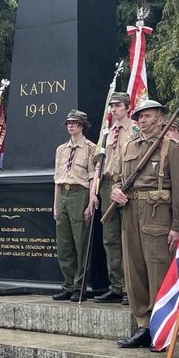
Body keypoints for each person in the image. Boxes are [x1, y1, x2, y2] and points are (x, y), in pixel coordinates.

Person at [110, 99, 179, 349]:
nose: (143, 121)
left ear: (159, 118)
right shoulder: (128, 147)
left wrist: (177, 226)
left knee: (157, 271)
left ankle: (162, 327)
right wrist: (115, 191)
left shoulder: (170, 148)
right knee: (134, 272)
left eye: (148, 116)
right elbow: (117, 179)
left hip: (157, 216)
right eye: (140, 117)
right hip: (130, 212)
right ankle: (143, 325)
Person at [52, 110, 97, 301]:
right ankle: (68, 284)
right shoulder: (61, 149)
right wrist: (55, 205)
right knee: (64, 244)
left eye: (75, 123)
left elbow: (94, 175)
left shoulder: (90, 148)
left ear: (82, 126)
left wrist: (91, 201)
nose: (71, 126)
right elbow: (56, 179)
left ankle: (80, 286)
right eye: (69, 123)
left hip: (80, 193)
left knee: (81, 241)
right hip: (62, 193)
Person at [92, 93, 132, 304]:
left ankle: (128, 287)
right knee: (110, 238)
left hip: (127, 184)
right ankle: (115, 285)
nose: (114, 109)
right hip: (107, 184)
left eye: (117, 106)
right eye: (112, 106)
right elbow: (98, 162)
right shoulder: (107, 133)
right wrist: (94, 192)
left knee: (127, 236)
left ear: (127, 107)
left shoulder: (134, 129)